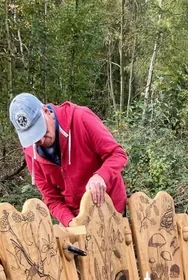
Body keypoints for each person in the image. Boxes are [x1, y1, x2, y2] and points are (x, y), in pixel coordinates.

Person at [9, 93, 128, 226]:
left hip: (111, 207)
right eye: (34, 138)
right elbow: (52, 199)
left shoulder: (80, 118)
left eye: (41, 131)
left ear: (46, 112)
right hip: (77, 219)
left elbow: (118, 154)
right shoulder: (31, 153)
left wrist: (101, 176)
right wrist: (71, 222)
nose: (41, 140)